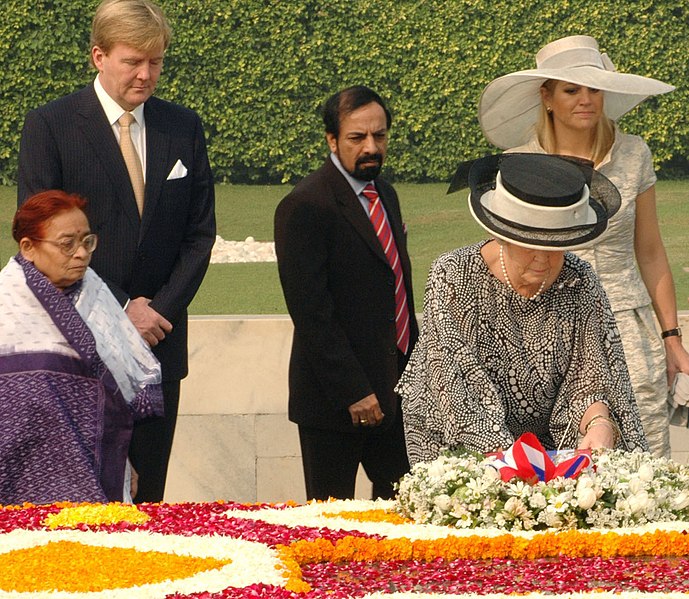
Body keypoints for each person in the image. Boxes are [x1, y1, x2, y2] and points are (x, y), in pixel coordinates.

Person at [16, 0, 216, 502]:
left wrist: (157, 312)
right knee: (79, 504)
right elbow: (42, 239)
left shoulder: (183, 127)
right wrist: (125, 307)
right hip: (78, 345)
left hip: (160, 347)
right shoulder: (50, 126)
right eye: (134, 61)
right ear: (98, 56)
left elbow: (199, 236)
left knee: (150, 502)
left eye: (157, 61)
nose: (146, 74)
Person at [477, 35, 686, 458]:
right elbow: (506, 259)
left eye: (594, 88)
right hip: (547, 327)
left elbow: (649, 250)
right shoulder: (520, 162)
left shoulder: (634, 154)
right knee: (561, 463)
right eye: (572, 89)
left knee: (644, 459)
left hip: (629, 326)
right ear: (547, 97)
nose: (586, 100)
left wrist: (671, 337)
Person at [397, 153, 649, 465]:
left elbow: (591, 377)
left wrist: (598, 425)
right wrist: (520, 465)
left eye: (555, 247)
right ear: (502, 236)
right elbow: (458, 386)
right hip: (462, 443)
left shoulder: (580, 280)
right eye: (530, 245)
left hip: (549, 450)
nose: (543, 259)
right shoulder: (453, 274)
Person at [274, 85, 419, 500]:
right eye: (358, 138)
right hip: (334, 403)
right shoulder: (304, 206)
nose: (371, 147)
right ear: (332, 140)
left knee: (403, 518)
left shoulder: (384, 194)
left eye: (380, 135)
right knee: (330, 525)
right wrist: (354, 391)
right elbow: (311, 312)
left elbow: (394, 288)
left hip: (396, 394)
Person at [0, 191, 163, 505]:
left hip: (94, 466)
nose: (81, 254)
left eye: (87, 241)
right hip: (12, 469)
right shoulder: (6, 300)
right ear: (28, 247)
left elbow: (123, 381)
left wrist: (123, 463)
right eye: (67, 244)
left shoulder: (97, 295)